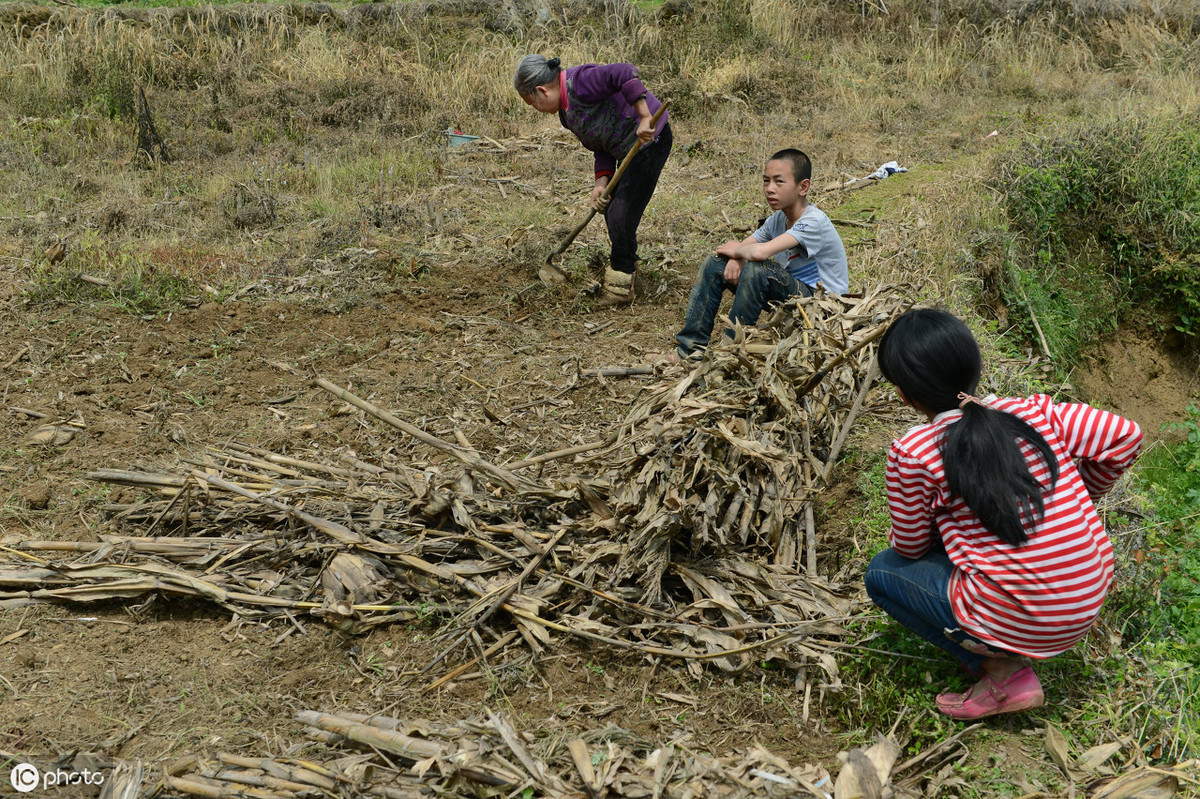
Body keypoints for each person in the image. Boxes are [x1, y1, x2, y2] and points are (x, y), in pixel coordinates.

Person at [866, 308, 1143, 720]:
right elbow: (1126, 437)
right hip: (1088, 596)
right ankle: (1001, 639)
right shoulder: (1034, 412)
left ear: (905, 395)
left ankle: (1001, 671)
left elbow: (909, 546)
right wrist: (1080, 491)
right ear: (975, 366)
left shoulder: (914, 452)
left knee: (883, 573)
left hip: (1033, 614)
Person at [513, 55, 672, 304]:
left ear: (541, 90)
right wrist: (600, 183)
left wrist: (644, 117)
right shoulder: (567, 115)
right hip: (624, 148)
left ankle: (620, 286)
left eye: (532, 103)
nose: (535, 109)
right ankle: (630, 265)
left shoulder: (581, 82)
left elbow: (624, 71)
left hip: (651, 140)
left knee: (621, 213)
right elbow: (600, 145)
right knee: (612, 211)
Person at [673, 149, 847, 360]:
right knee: (715, 264)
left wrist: (738, 252)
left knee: (758, 269)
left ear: (803, 187)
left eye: (778, 182)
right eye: (766, 181)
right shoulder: (777, 219)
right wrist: (738, 257)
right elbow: (746, 247)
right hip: (791, 298)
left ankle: (729, 354)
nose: (770, 189)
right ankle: (689, 349)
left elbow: (759, 251)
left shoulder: (813, 221)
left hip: (820, 307)